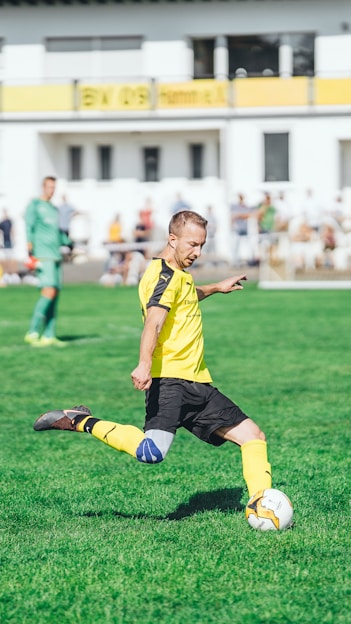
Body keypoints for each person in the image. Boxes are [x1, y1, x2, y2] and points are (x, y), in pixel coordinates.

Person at [33, 210, 272, 503]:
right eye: (192, 244)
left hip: (199, 384)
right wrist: (144, 364)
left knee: (254, 437)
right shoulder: (163, 276)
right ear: (172, 239)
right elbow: (154, 321)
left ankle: (261, 504)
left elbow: (186, 294)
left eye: (201, 245)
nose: (197, 252)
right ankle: (82, 420)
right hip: (170, 382)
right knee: (151, 453)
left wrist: (216, 288)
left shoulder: (177, 275)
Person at [24, 176, 71, 347]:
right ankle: (32, 331)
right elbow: (29, 228)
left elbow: (58, 232)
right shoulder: (35, 205)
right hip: (42, 255)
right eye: (49, 187)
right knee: (48, 291)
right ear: (43, 187)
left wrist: (68, 242)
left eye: (54, 187)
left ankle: (49, 335)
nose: (52, 190)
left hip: (56, 255)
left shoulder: (53, 209)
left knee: (55, 294)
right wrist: (30, 251)